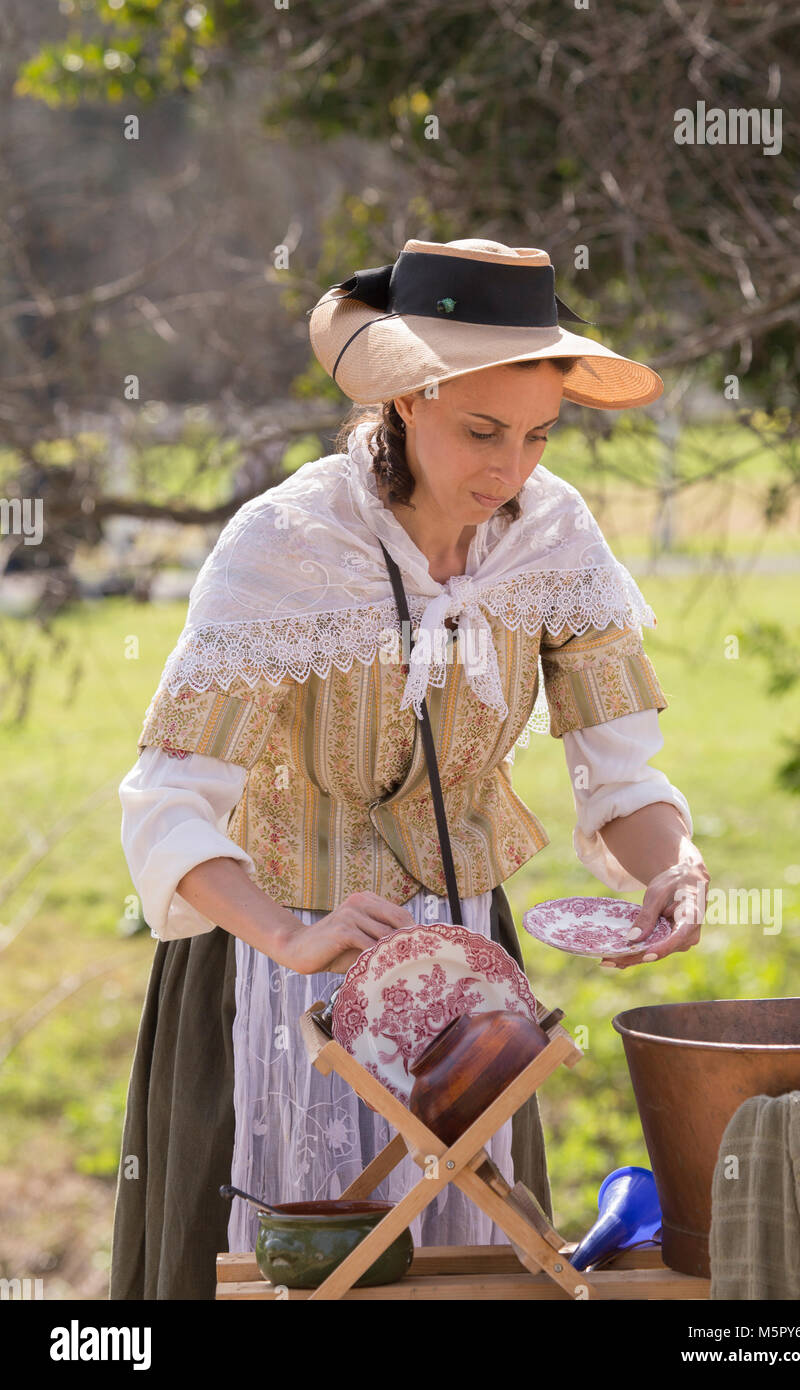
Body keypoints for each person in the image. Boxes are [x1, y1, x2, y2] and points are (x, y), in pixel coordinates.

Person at [110, 236, 709, 1299]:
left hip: (465, 987)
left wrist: (673, 867)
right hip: (272, 966)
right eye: (481, 431)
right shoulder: (285, 546)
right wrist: (293, 936)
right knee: (284, 1275)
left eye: (536, 435)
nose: (510, 468)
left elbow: (617, 776)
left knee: (467, 1261)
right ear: (402, 401)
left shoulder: (552, 540)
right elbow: (169, 805)